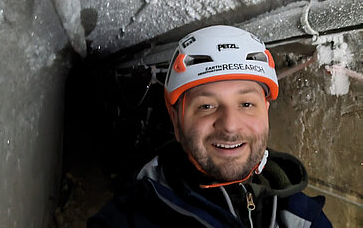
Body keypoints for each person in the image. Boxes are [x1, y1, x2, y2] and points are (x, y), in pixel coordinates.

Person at [87, 25, 332, 228]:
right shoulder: (134, 216)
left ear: (265, 113)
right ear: (176, 121)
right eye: (206, 106)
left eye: (246, 103)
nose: (230, 125)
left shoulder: (305, 219)